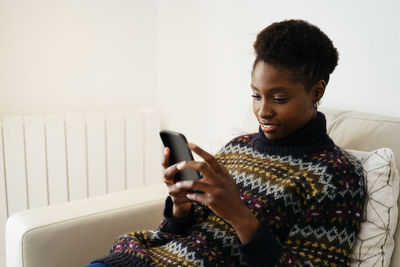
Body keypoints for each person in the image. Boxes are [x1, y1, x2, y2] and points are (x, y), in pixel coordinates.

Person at [87, 19, 366, 267]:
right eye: (256, 96)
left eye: (279, 99)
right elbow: (173, 235)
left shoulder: (336, 176)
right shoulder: (237, 147)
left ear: (317, 90)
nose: (263, 111)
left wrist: (240, 216)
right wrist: (180, 206)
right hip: (143, 257)